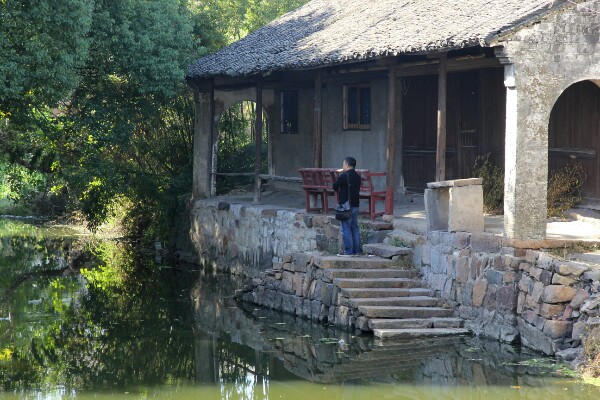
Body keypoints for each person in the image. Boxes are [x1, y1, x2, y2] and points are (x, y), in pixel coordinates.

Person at [332, 156, 361, 257]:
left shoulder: (344, 176)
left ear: (347, 165)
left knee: (346, 228)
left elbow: (335, 186)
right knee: (354, 228)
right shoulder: (358, 176)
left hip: (346, 206)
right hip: (356, 205)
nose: (343, 166)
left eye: (343, 164)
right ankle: (357, 251)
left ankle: (349, 251)